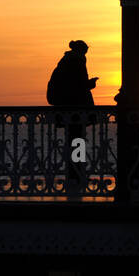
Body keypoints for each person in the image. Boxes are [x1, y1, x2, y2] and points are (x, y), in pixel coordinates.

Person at [47, 40, 97, 193]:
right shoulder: (77, 61)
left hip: (68, 108)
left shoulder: (66, 61)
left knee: (74, 140)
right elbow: (78, 84)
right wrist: (90, 84)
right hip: (75, 109)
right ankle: (76, 173)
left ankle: (74, 173)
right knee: (77, 141)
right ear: (82, 50)